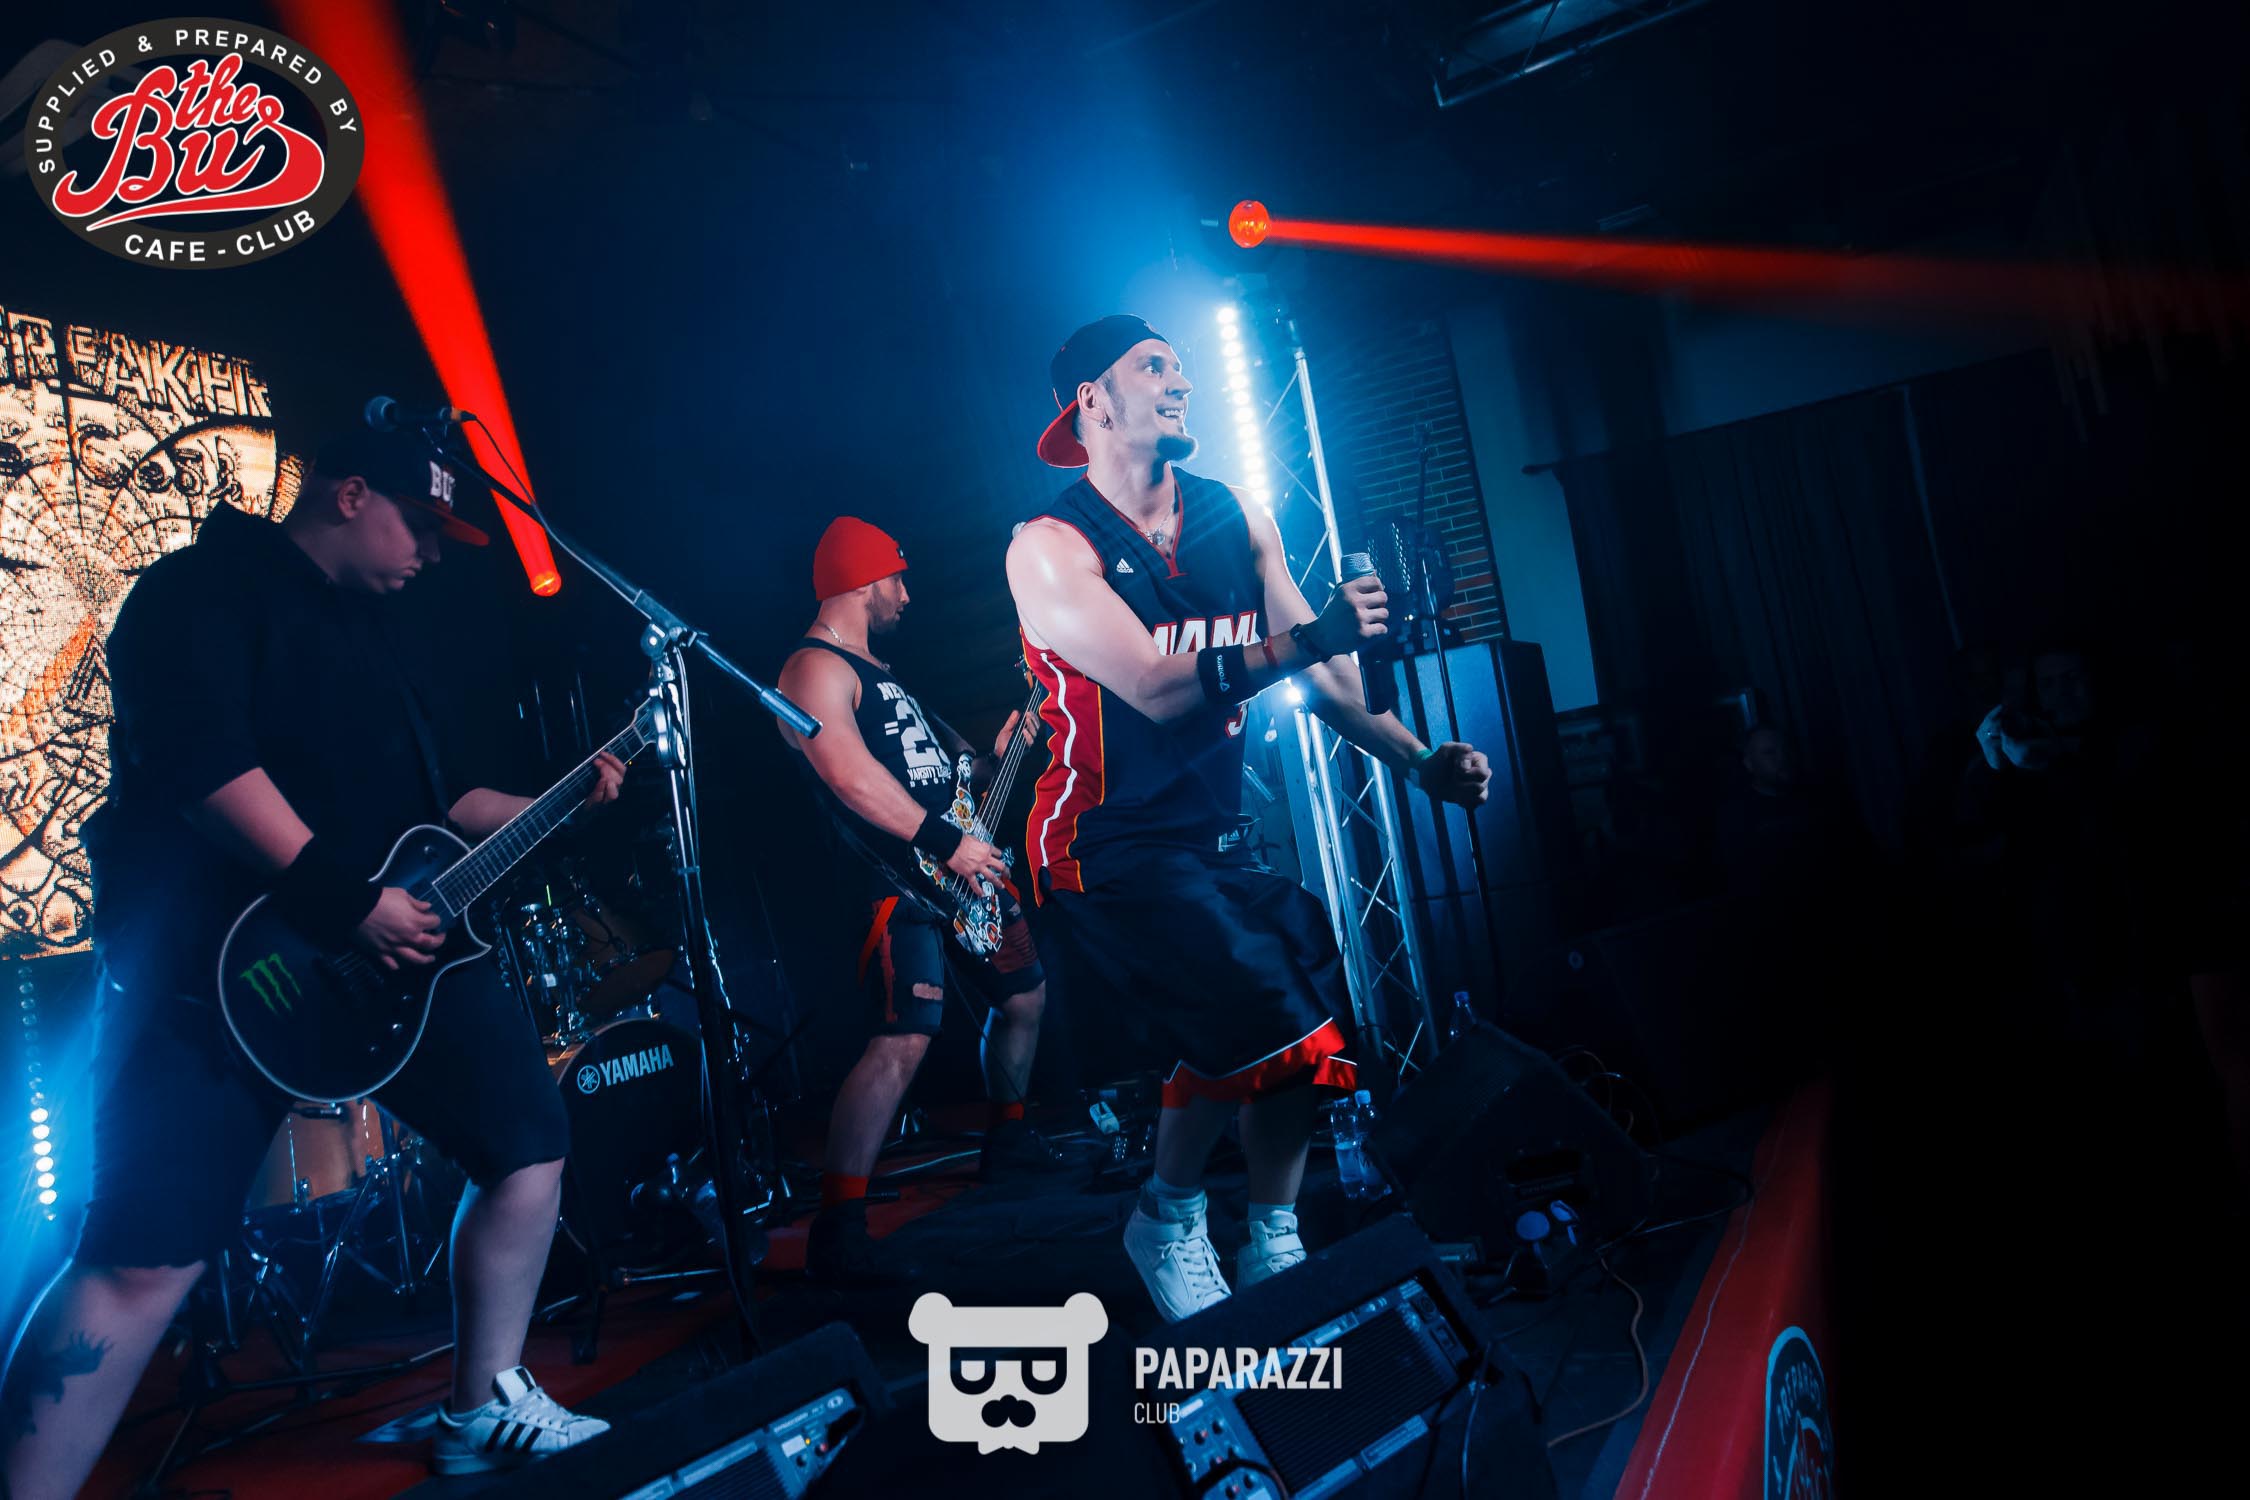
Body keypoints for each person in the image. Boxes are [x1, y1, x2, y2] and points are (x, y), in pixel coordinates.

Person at [0, 427, 624, 1494]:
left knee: (528, 1144)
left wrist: (566, 802)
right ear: (348, 494)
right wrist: (350, 905)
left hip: (393, 963)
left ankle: (483, 1407)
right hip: (223, 972)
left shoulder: (382, 635)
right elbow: (201, 766)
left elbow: (443, 806)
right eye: (419, 524)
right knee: (143, 1252)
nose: (431, 551)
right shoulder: (201, 589)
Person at [1006, 315, 1492, 1321]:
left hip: (1206, 839)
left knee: (1285, 1016)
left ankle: (1260, 1241)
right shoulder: (1048, 548)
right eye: (1154, 366)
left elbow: (1324, 677)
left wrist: (1417, 760)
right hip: (1101, 844)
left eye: (1182, 366)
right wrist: (1309, 639)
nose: (1180, 380)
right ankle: (1183, 1220)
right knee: (1275, 1014)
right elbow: (1153, 686)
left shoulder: (1236, 516)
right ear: (1093, 403)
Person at [777, 516, 1079, 1286]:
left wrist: (997, 758)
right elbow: (846, 772)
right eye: (897, 578)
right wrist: (948, 843)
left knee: (1025, 996)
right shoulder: (813, 668)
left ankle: (1009, 1142)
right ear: (863, 580)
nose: (906, 595)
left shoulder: (883, 675)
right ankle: (840, 1226)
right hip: (892, 876)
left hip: (958, 868)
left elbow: (948, 778)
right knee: (904, 1036)